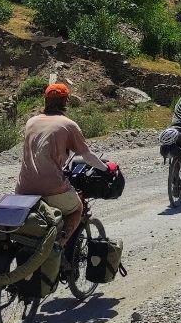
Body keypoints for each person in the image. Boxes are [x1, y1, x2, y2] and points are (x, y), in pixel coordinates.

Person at [16, 82, 116, 252]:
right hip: (52, 187)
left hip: (23, 189)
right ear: (66, 101)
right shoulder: (68, 124)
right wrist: (106, 169)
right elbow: (88, 157)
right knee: (77, 208)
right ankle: (59, 245)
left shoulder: (31, 122)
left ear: (46, 100)